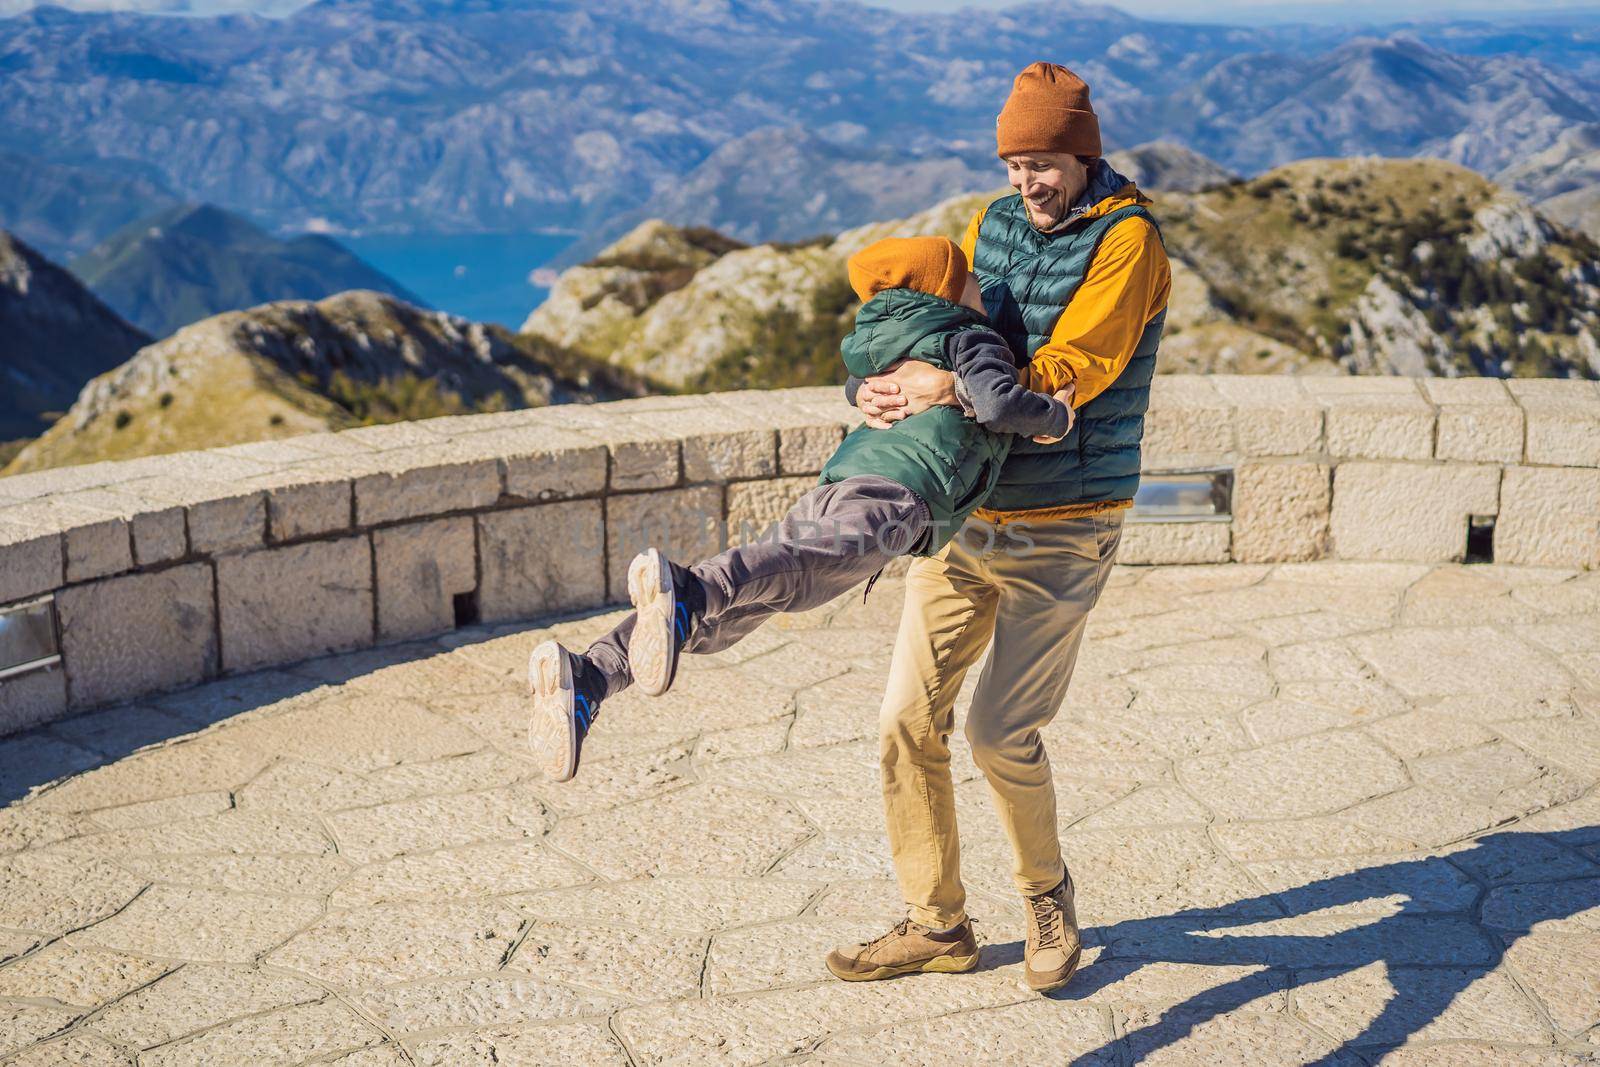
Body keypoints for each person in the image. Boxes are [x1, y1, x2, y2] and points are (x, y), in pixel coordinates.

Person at [824, 61, 1172, 993]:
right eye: (1015, 163)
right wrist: (883, 383)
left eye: (1044, 163)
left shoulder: (1131, 244)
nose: (1027, 183)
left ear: (1082, 153)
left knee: (999, 734)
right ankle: (938, 921)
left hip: (1069, 519)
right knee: (905, 719)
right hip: (970, 512)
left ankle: (1046, 894)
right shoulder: (991, 222)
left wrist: (954, 388)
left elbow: (1070, 368)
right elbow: (940, 330)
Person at [526, 235, 1073, 807]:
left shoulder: (884, 338)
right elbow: (998, 404)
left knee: (736, 615)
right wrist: (1054, 415)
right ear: (945, 289)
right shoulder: (969, 335)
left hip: (844, 479)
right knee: (799, 576)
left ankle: (589, 675)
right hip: (903, 489)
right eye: (967, 280)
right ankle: (689, 587)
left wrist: (864, 388)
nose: (979, 288)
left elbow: (855, 383)